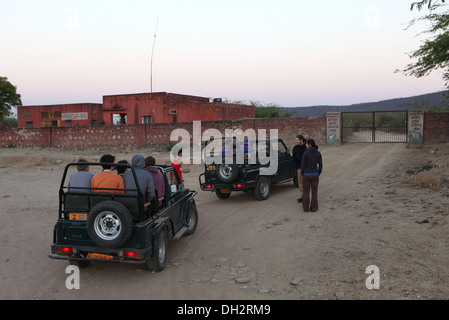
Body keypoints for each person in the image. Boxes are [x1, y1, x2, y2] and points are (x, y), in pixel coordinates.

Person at [301, 139, 323, 212]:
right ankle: (314, 208)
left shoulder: (305, 153)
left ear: (309, 145)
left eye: (307, 144)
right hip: (315, 174)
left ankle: (306, 208)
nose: (306, 145)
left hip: (306, 174)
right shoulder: (318, 153)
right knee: (314, 192)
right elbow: (320, 166)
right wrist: (318, 173)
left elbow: (303, 164)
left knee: (306, 192)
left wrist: (302, 173)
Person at [292, 135, 307, 203]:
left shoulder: (306, 148)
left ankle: (306, 196)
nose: (296, 141)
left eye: (297, 140)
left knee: (306, 183)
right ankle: (302, 196)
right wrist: (297, 167)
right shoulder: (295, 148)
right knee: (300, 183)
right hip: (299, 169)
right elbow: (294, 158)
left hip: (306, 168)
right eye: (296, 140)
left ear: (301, 140)